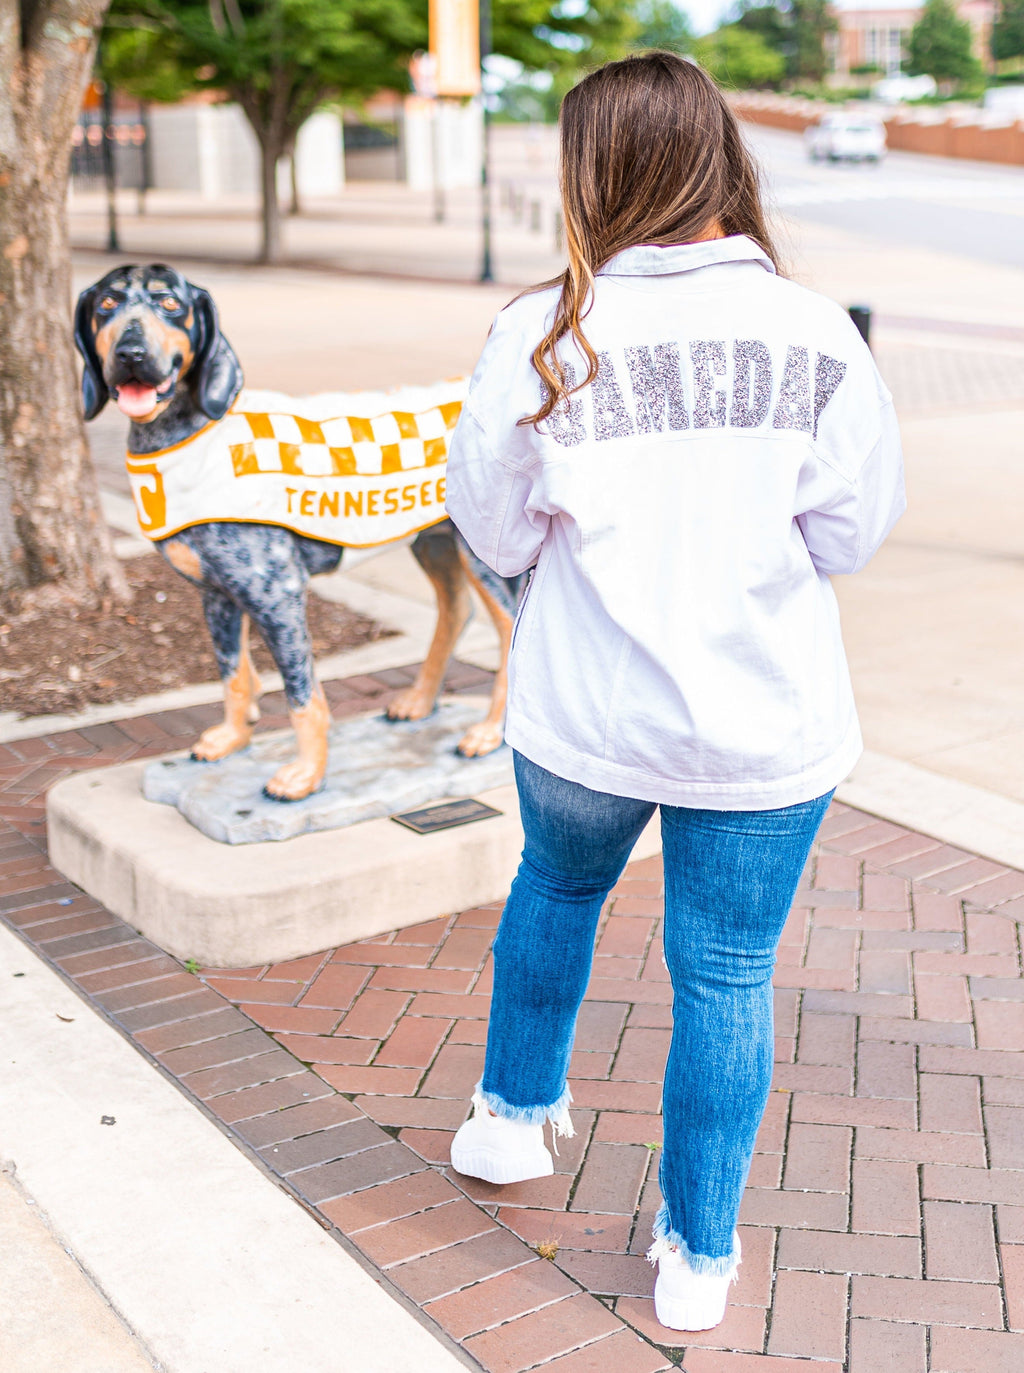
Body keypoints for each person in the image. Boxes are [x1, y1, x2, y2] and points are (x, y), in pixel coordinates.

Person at [444, 51, 904, 1334]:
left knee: (557, 886)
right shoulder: (814, 331)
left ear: (587, 174)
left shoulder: (543, 327)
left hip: (584, 716)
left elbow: (488, 517)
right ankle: (698, 1253)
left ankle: (510, 1121)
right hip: (761, 723)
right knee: (725, 971)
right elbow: (851, 531)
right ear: (722, 159)